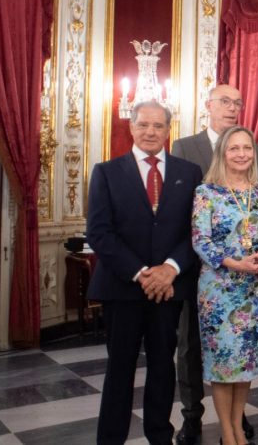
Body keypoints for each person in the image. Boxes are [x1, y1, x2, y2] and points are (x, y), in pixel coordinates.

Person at [86, 101, 204, 445]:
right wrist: (142, 273)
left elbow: (195, 230)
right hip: (122, 289)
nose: (151, 132)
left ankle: (159, 435)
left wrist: (169, 269)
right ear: (132, 128)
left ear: (169, 130)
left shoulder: (189, 171)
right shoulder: (106, 172)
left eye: (158, 126)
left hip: (170, 289)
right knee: (119, 369)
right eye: (144, 125)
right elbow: (99, 232)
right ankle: (110, 439)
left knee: (163, 368)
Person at [171, 84, 258, 444]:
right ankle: (192, 415)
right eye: (225, 101)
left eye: (238, 102)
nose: (233, 107)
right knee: (192, 348)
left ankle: (237, 425)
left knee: (243, 358)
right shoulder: (185, 147)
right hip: (206, 276)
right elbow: (187, 220)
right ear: (208, 105)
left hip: (254, 283)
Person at [191, 126, 258, 445]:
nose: (241, 154)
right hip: (219, 292)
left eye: (247, 148)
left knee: (246, 363)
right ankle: (227, 432)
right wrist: (235, 263)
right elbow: (201, 241)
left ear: (254, 153)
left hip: (256, 291)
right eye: (234, 148)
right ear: (222, 153)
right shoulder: (206, 192)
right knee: (223, 363)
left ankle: (238, 426)